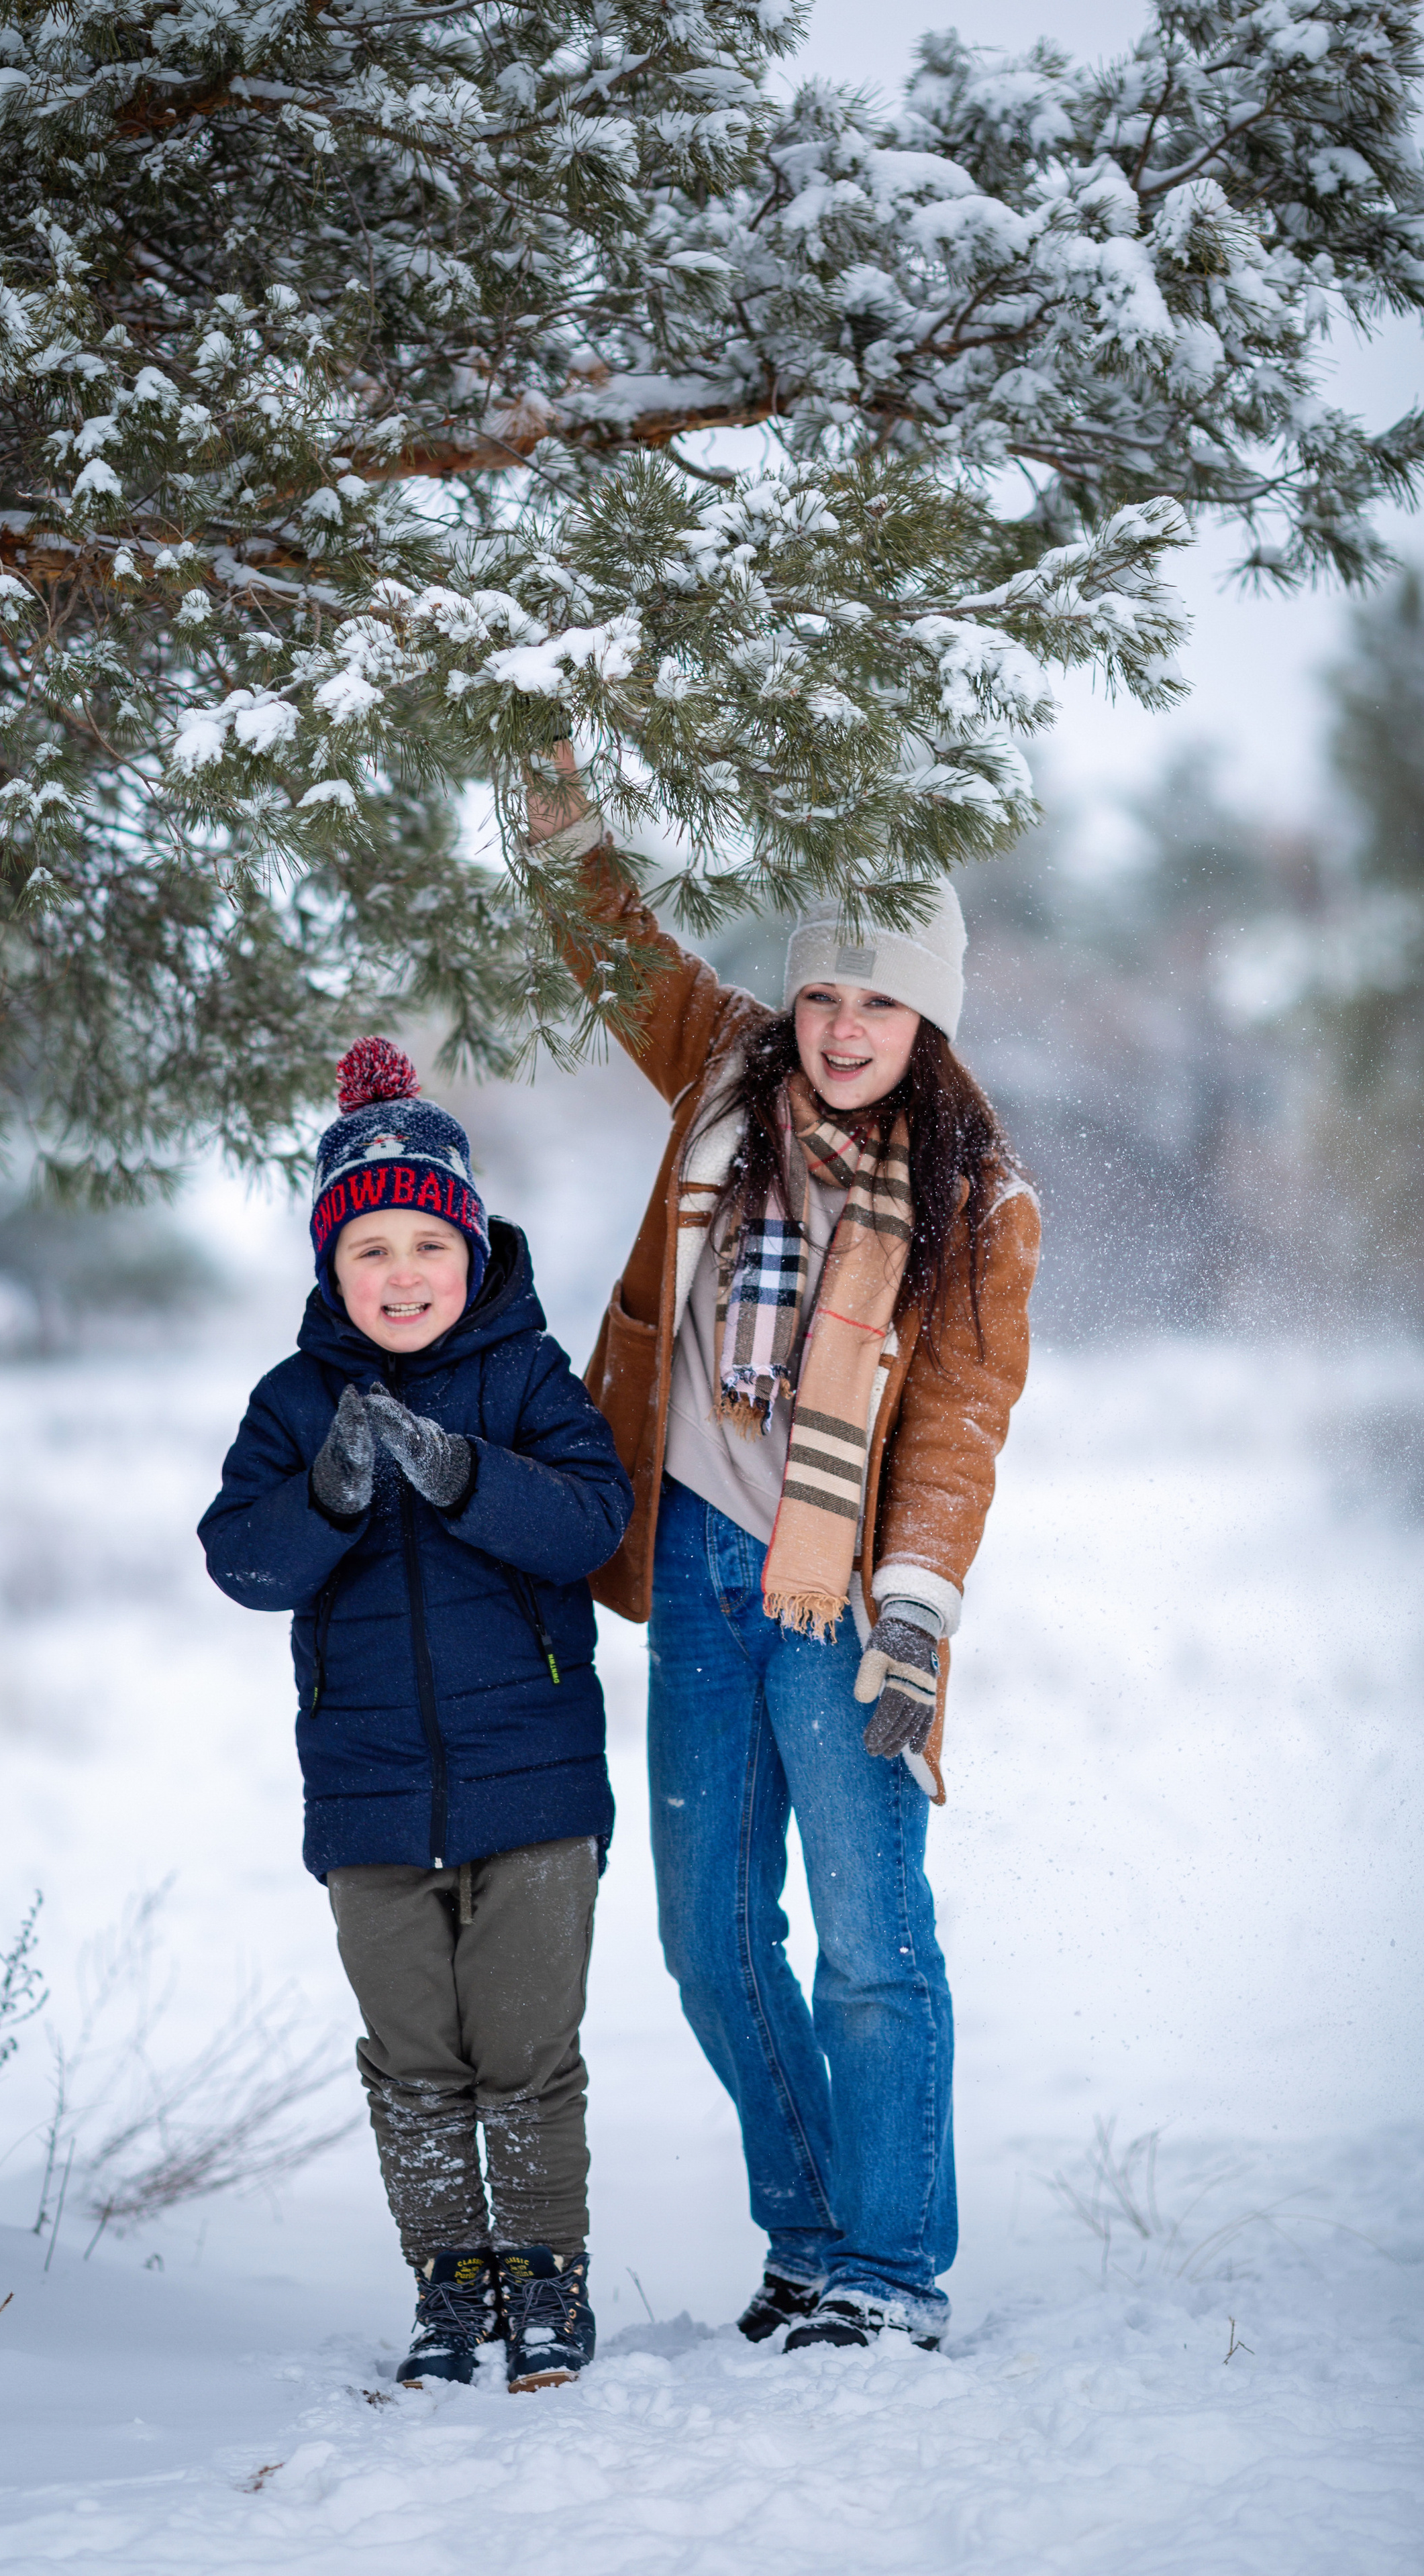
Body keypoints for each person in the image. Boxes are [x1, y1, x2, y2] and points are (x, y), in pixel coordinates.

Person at [529, 753, 1039, 2355]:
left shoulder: (976, 1200)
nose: (838, 1030)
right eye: (821, 991)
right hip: (690, 1566)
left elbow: (957, 1418)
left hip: (840, 1603)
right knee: (706, 1934)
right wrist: (555, 821)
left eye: (875, 1007)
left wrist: (914, 1607)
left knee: (871, 1945)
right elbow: (619, 951)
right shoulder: (724, 1074)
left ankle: (887, 2270)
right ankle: (810, 2228)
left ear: (927, 1022)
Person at [199, 1037, 632, 2393]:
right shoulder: (293, 1403)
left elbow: (588, 1527)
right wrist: (327, 1493)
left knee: (521, 2048)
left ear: (471, 1253)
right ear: (331, 1270)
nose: (400, 1277)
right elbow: (242, 1564)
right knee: (414, 2056)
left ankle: (545, 2278)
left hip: (534, 1780)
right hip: (372, 1793)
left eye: (424, 1249)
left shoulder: (525, 1380)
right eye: (368, 1252)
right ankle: (450, 2281)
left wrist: (460, 1475)